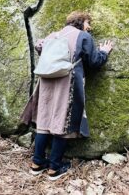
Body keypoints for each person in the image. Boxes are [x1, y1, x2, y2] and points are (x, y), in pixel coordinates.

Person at [21, 11, 113, 181]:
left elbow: (40, 47)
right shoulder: (83, 37)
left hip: (47, 81)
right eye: (88, 22)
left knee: (44, 120)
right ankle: (54, 168)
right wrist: (104, 52)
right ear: (81, 21)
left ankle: (37, 163)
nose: (89, 26)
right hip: (67, 81)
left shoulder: (53, 35)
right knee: (62, 122)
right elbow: (94, 61)